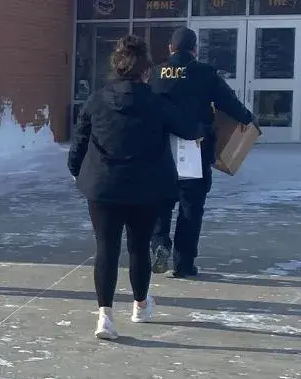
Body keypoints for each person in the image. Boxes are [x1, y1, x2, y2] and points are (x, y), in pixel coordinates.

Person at [69, 36, 202, 339]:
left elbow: (79, 143)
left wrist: (79, 173)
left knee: (106, 248)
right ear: (146, 71)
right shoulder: (157, 102)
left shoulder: (97, 100)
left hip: (103, 186)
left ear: (116, 67)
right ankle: (140, 305)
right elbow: (188, 129)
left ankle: (105, 316)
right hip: (146, 188)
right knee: (139, 247)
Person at [149, 28, 255, 278]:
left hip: (161, 150)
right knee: (191, 207)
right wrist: (248, 118)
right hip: (195, 148)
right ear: (195, 50)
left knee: (160, 202)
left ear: (170, 48)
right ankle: (184, 264)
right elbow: (228, 101)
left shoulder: (155, 73)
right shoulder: (205, 73)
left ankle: (160, 244)